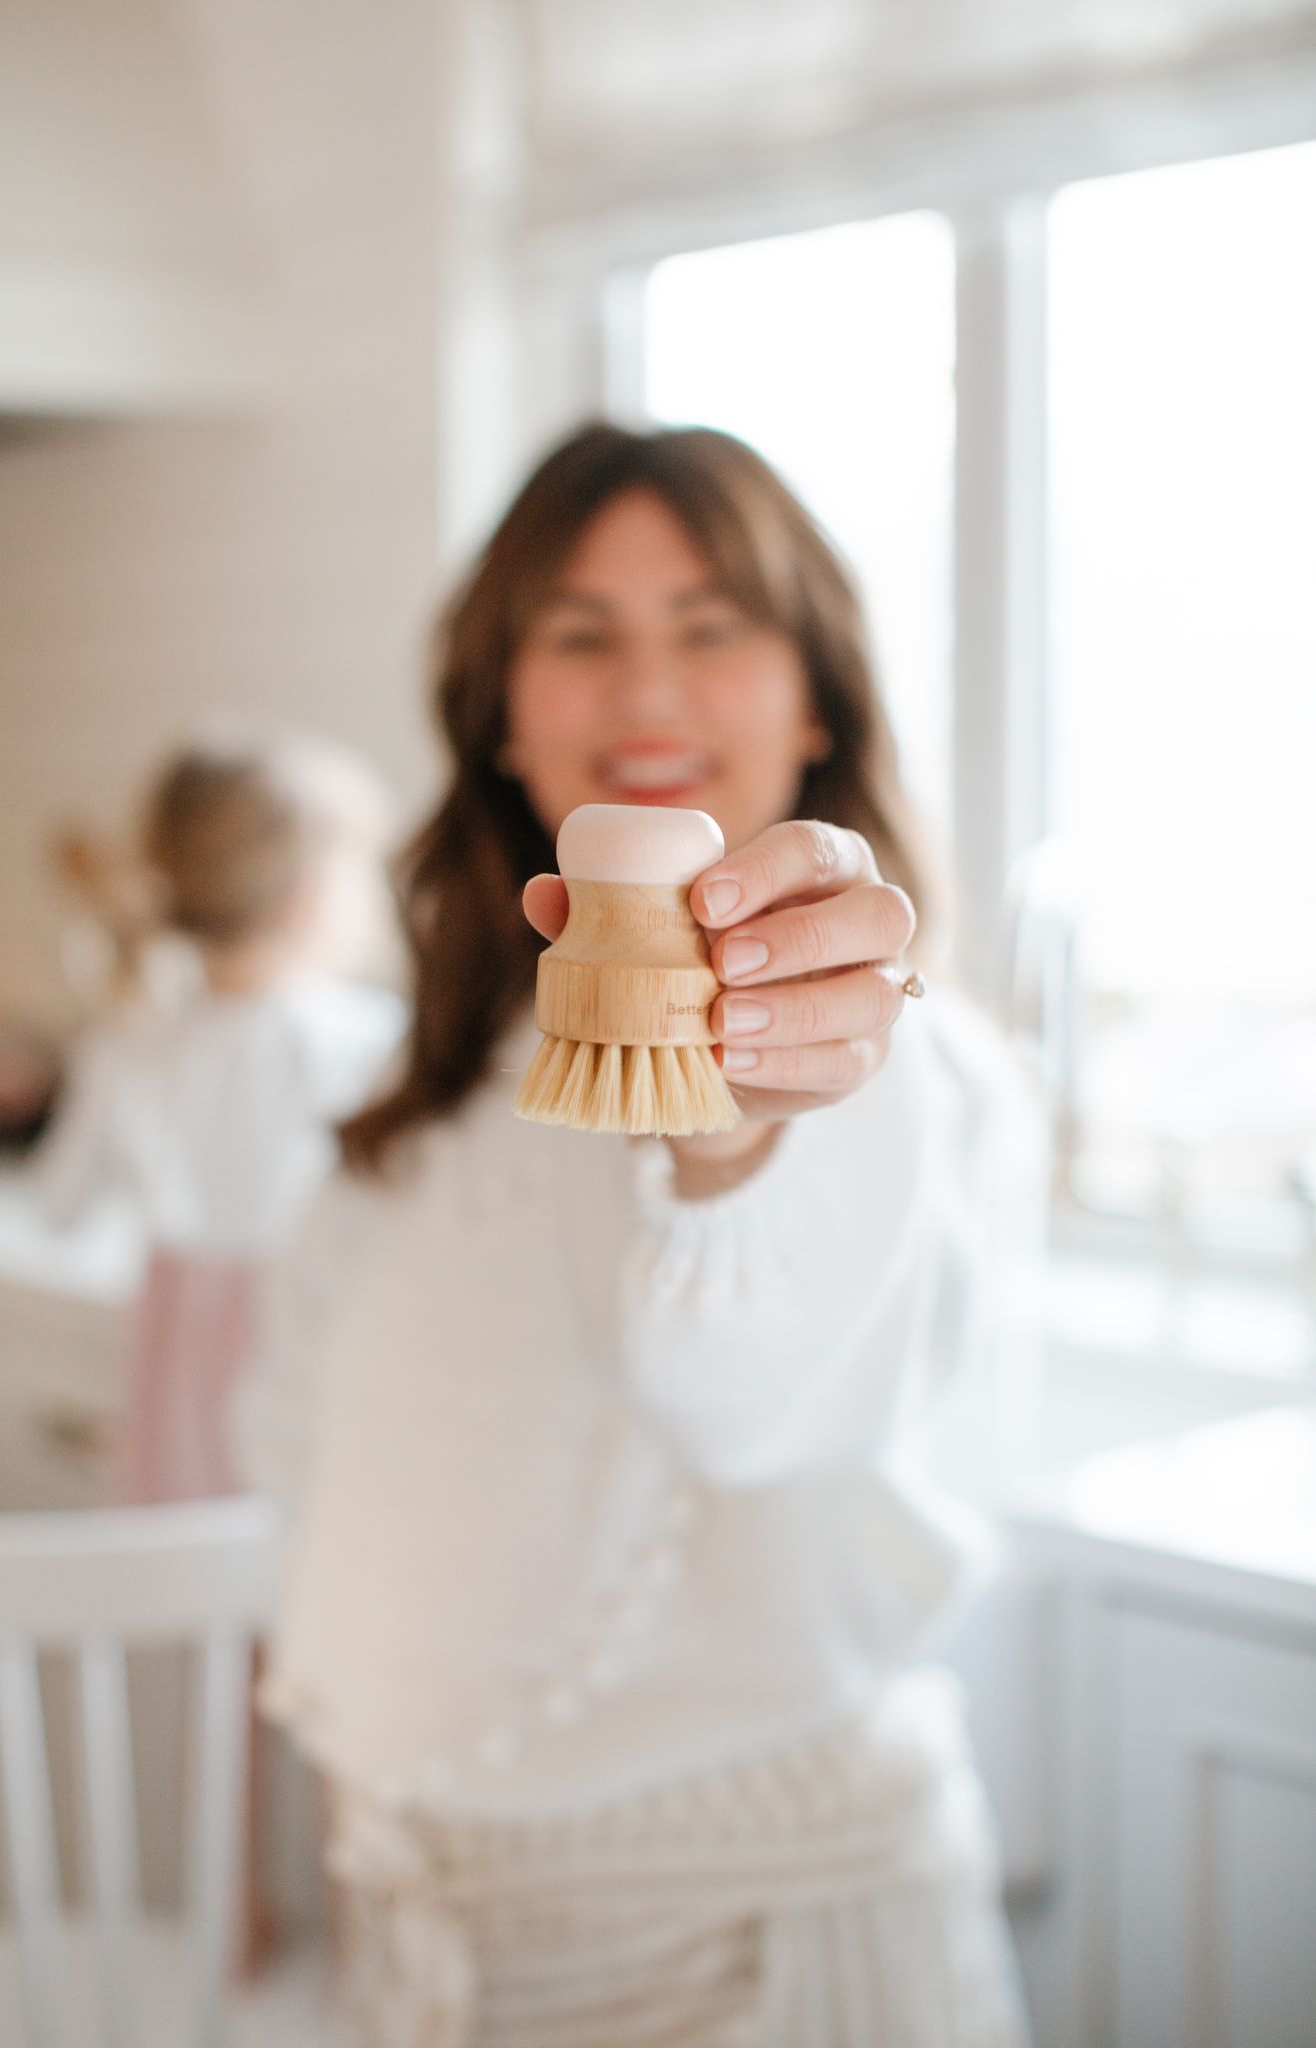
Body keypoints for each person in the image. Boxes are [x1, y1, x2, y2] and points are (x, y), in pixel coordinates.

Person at [242, 424, 1035, 2044]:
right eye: (580, 633)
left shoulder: (896, 1060)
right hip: (425, 1937)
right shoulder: (436, 1087)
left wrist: (739, 1122)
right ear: (502, 718)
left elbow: (753, 1384)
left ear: (816, 695)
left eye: (713, 625)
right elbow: (307, 1452)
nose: (645, 690)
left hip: (750, 1955)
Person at [35, 731, 404, 1505]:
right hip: (310, 1345)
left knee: (194, 1585)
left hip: (172, 1364)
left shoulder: (129, 1044)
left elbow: (59, 1213)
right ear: (308, 898)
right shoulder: (364, 1042)